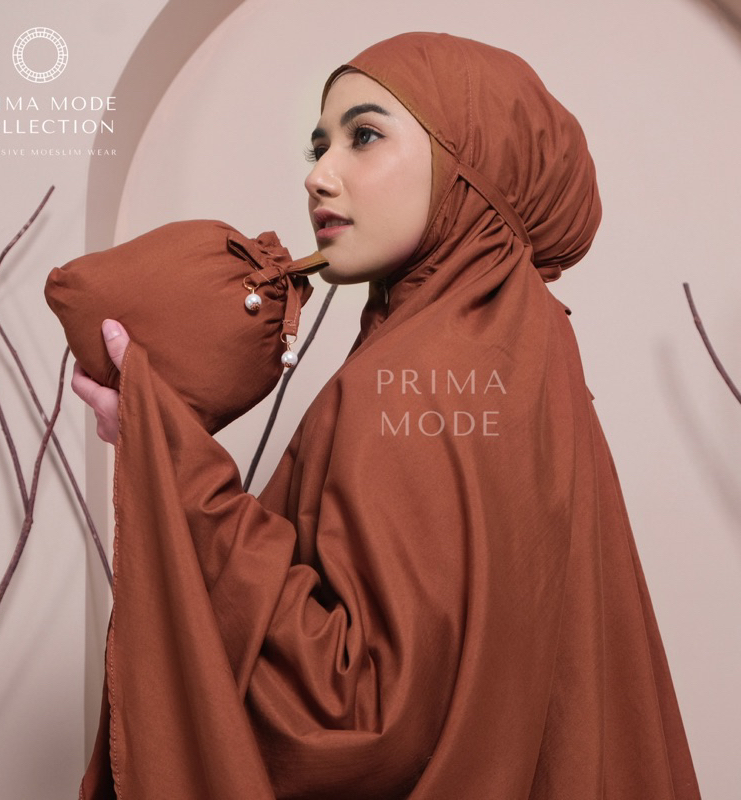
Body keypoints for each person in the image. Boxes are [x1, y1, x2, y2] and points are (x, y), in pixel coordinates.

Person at [72, 32, 701, 799]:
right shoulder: (529, 351)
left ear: (473, 163)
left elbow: (358, 715)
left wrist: (175, 468)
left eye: (364, 136)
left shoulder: (411, 375)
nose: (318, 174)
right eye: (319, 146)